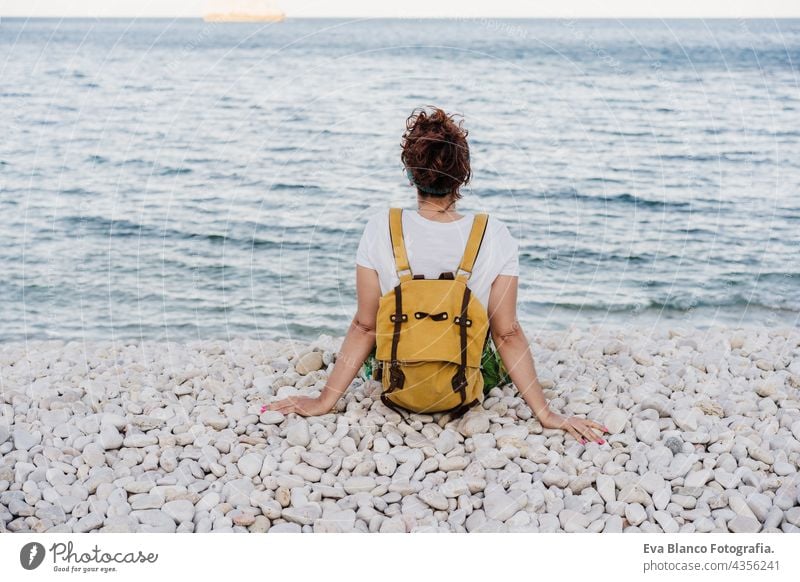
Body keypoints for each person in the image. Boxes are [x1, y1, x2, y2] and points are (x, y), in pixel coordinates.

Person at [265, 106, 607, 445]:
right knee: (490, 338)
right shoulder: (494, 234)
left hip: (397, 385)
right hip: (463, 388)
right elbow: (507, 334)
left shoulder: (380, 228)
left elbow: (365, 326)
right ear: (464, 176)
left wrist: (325, 401)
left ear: (410, 172)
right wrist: (547, 414)